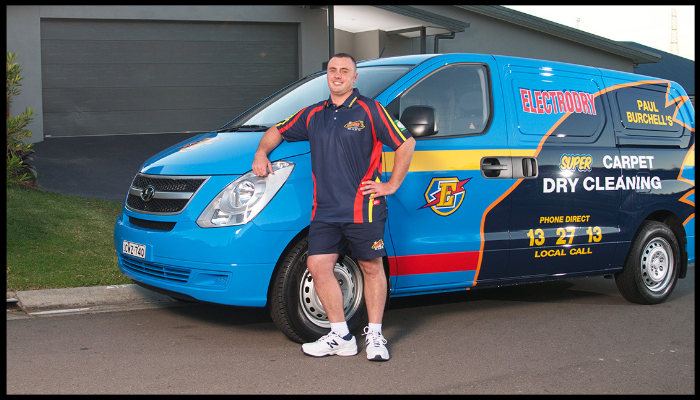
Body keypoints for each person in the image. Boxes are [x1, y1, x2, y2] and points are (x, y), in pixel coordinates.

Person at [252, 53, 415, 361]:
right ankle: (341, 335)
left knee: (370, 267)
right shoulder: (314, 114)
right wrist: (261, 153)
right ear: (327, 76)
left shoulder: (371, 109)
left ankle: (376, 335)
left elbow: (406, 143)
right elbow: (277, 130)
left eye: (345, 71)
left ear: (355, 78)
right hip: (325, 210)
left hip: (363, 208)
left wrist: (391, 185)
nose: (337, 75)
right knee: (318, 266)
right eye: (332, 70)